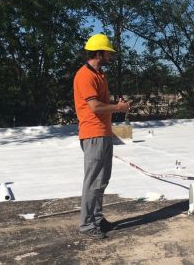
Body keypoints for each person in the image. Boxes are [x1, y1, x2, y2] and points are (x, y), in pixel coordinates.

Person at [73, 34, 130, 239]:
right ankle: (87, 225)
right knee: (92, 181)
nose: (110, 55)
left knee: (102, 180)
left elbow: (101, 103)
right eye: (108, 52)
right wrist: (118, 107)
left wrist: (116, 103)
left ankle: (97, 218)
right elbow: (95, 107)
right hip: (93, 133)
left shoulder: (100, 75)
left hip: (104, 133)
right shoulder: (85, 75)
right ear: (99, 52)